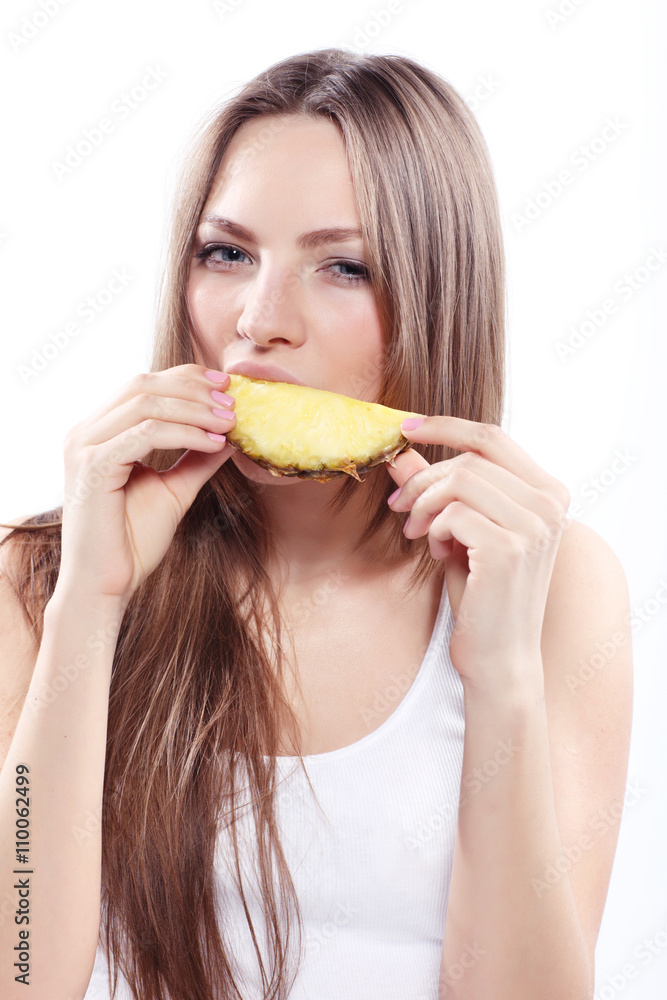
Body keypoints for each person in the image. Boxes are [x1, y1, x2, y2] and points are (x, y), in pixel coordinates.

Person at [0, 47, 632, 1000]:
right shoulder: (41, 575)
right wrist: (92, 602)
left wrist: (498, 672)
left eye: (344, 266)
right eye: (227, 253)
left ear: (439, 296)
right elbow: (19, 974)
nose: (259, 322)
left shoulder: (553, 582)